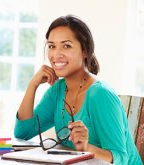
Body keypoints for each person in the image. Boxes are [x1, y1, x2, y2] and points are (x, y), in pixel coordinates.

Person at [14, 15, 142, 165]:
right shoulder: (57, 91)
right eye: (51, 46)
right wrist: (32, 85)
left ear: (85, 51)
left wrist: (86, 147)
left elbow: (121, 159)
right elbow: (23, 133)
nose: (56, 54)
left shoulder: (100, 94)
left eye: (66, 46)